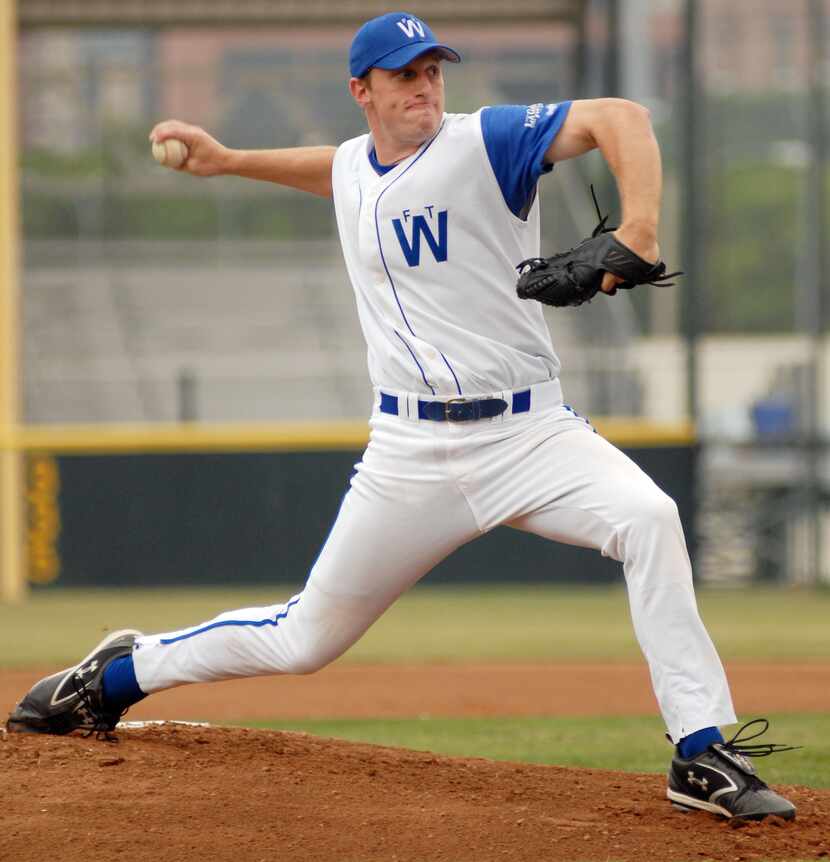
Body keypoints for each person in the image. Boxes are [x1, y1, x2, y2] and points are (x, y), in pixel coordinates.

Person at [8, 12, 796, 821]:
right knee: (303, 640)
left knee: (650, 518)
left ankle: (700, 752)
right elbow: (342, 170)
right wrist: (231, 160)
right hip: (411, 453)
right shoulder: (355, 166)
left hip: (530, 434)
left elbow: (621, 118)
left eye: (432, 71)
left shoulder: (485, 142)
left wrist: (638, 228)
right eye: (404, 74)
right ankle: (114, 675)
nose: (424, 86)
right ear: (363, 91)